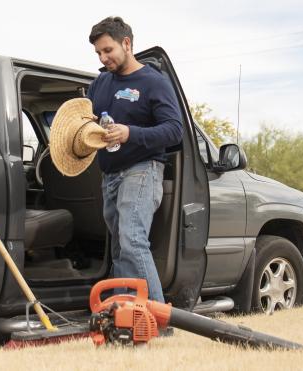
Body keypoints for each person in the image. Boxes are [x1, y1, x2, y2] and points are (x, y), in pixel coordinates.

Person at [87, 16, 183, 302]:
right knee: (119, 249)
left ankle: (158, 320)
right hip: (110, 174)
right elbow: (90, 119)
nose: (104, 58)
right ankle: (125, 317)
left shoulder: (153, 82)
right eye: (99, 53)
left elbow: (175, 131)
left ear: (126, 43)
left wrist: (130, 133)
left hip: (142, 170)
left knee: (132, 241)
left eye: (108, 50)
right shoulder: (101, 82)